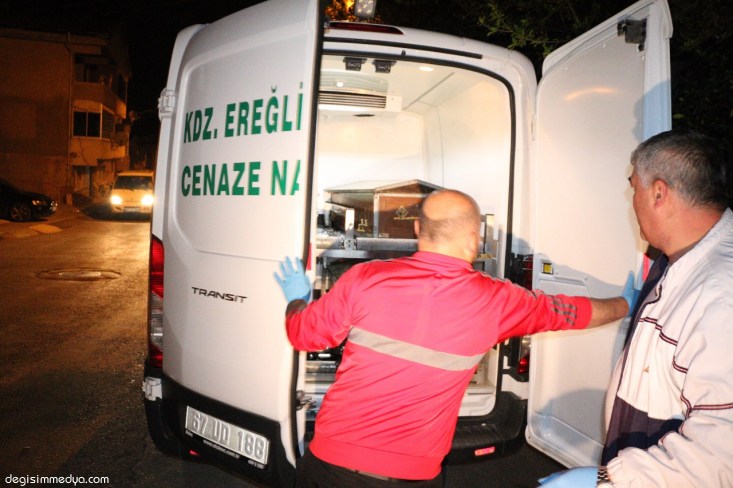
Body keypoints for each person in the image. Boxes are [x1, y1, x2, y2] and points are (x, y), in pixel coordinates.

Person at [275, 189, 633, 487]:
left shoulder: (364, 278)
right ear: (474, 239)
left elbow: (303, 334)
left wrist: (298, 300)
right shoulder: (499, 301)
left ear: (418, 228)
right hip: (412, 476)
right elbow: (571, 312)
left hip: (330, 465)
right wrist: (627, 303)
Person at [539, 130, 733, 488]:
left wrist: (610, 479)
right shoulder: (676, 260)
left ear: (659, 193)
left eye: (633, 189)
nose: (632, 202)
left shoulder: (721, 296)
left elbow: (721, 455)